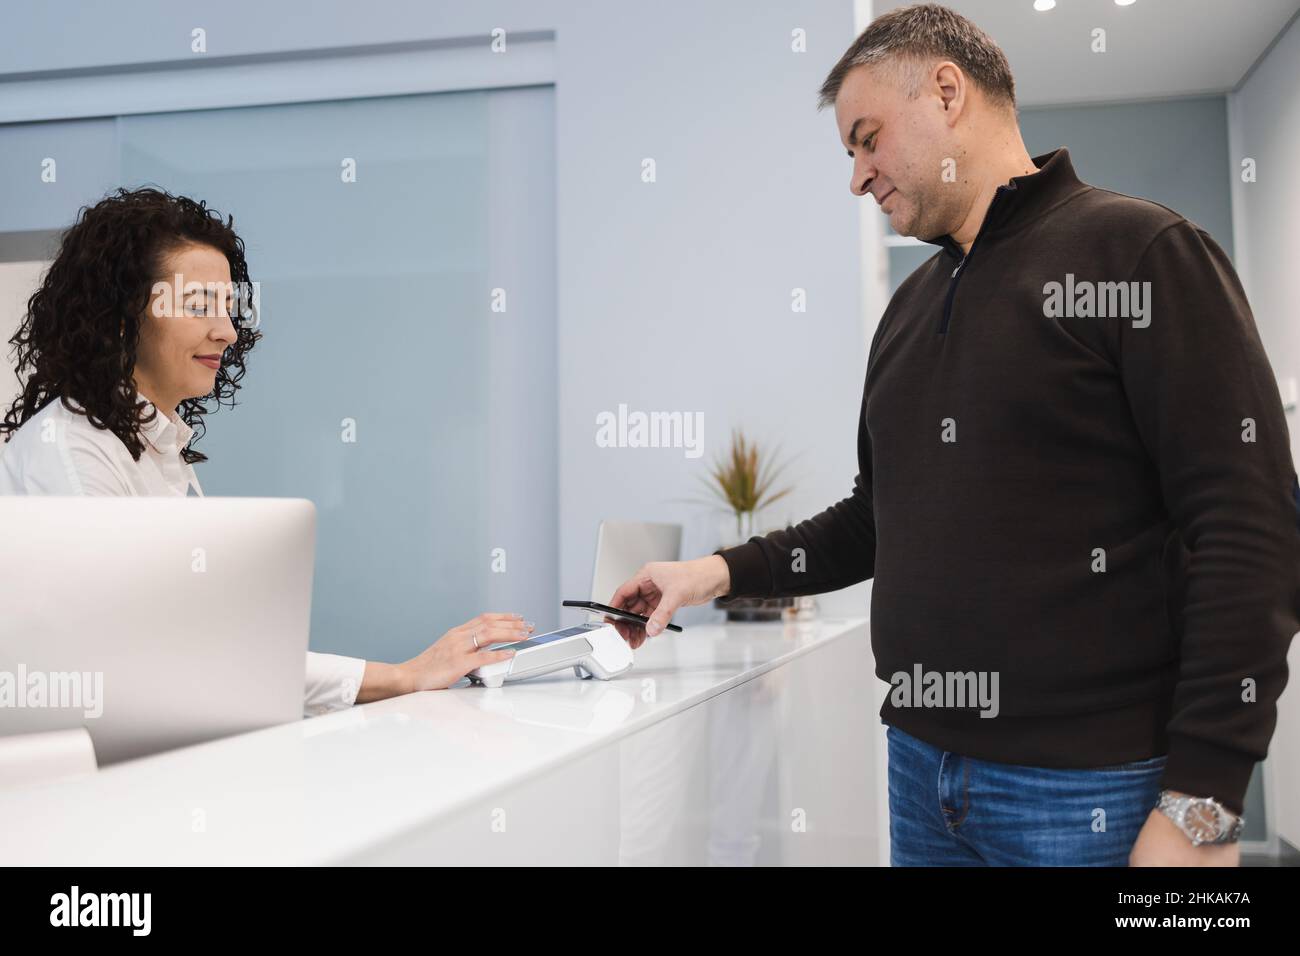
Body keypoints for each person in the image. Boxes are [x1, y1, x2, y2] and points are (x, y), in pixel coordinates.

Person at [609, 3, 1300, 866]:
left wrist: (1205, 799)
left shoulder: (1141, 251)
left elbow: (1252, 530)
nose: (857, 177)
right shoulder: (909, 309)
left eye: (867, 139)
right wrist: (708, 574)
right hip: (921, 776)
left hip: (1093, 789)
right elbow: (877, 518)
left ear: (946, 91)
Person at [0, 186, 528, 717]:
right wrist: (402, 676)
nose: (226, 331)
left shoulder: (154, 446)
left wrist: (399, 677)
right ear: (122, 315)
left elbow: (207, 652)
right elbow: (149, 654)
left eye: (228, 308)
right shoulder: (72, 450)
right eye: (199, 305)